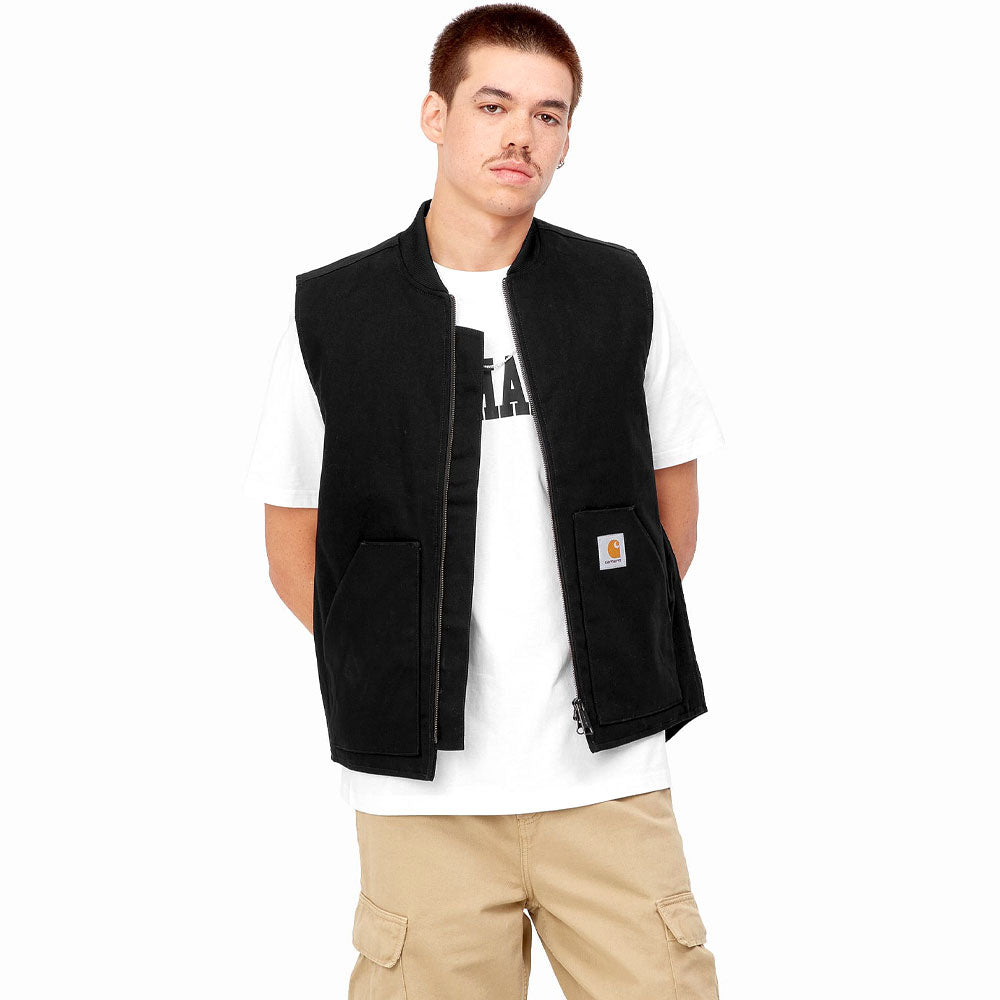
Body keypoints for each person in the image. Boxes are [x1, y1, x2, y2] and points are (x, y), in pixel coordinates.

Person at [244, 5, 724, 997]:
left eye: (549, 115)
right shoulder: (335, 312)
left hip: (608, 783)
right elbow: (294, 544)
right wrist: (396, 663)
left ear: (568, 139)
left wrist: (604, 649)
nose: (521, 136)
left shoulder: (617, 291)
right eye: (494, 105)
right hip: (420, 800)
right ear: (436, 115)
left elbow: (670, 523)